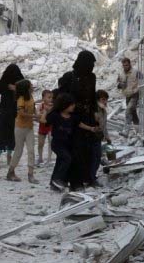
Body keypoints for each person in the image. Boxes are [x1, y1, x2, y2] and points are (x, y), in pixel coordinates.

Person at [41, 93, 99, 192]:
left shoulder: (73, 117)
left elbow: (80, 124)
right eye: (71, 104)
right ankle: (57, 179)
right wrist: (45, 112)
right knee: (66, 158)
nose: (73, 106)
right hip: (57, 144)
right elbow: (43, 121)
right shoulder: (55, 115)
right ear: (65, 105)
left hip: (68, 144)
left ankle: (54, 184)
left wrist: (91, 128)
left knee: (62, 161)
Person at [58, 51, 99, 189]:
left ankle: (88, 177)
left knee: (89, 149)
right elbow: (62, 97)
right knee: (75, 149)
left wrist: (95, 114)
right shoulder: (71, 77)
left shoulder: (92, 77)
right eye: (91, 63)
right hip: (74, 117)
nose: (92, 66)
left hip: (88, 117)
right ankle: (75, 181)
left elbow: (92, 96)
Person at [0, 64, 24, 169]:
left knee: (2, 135)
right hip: (12, 113)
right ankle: (7, 158)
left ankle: (0, 159)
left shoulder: (8, 81)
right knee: (10, 135)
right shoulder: (12, 82)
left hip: (6, 112)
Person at [7, 79, 39, 183]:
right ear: (26, 88)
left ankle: (30, 174)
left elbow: (34, 109)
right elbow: (21, 113)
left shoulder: (31, 97)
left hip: (29, 128)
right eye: (30, 85)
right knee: (18, 151)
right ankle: (11, 171)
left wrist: (38, 116)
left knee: (31, 150)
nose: (32, 86)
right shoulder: (21, 99)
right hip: (20, 128)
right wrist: (34, 116)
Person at [117, 58, 142, 136]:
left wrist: (138, 89)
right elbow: (117, 84)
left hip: (135, 94)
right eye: (124, 65)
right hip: (127, 95)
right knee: (133, 113)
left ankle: (126, 131)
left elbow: (143, 81)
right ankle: (139, 131)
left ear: (130, 64)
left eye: (127, 65)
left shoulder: (136, 72)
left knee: (128, 111)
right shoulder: (121, 73)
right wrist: (120, 85)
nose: (125, 67)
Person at [92, 90, 111, 184]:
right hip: (92, 137)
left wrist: (107, 137)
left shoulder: (104, 111)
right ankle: (91, 178)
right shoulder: (93, 110)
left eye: (106, 100)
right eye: (103, 99)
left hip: (98, 137)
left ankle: (92, 177)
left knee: (97, 156)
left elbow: (104, 125)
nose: (105, 102)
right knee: (94, 158)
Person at [37, 90, 53, 165]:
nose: (50, 99)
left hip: (50, 126)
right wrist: (43, 113)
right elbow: (37, 114)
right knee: (40, 143)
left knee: (50, 141)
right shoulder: (41, 105)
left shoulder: (53, 106)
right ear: (43, 98)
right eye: (49, 97)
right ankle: (40, 157)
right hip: (42, 126)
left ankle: (49, 158)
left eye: (51, 97)